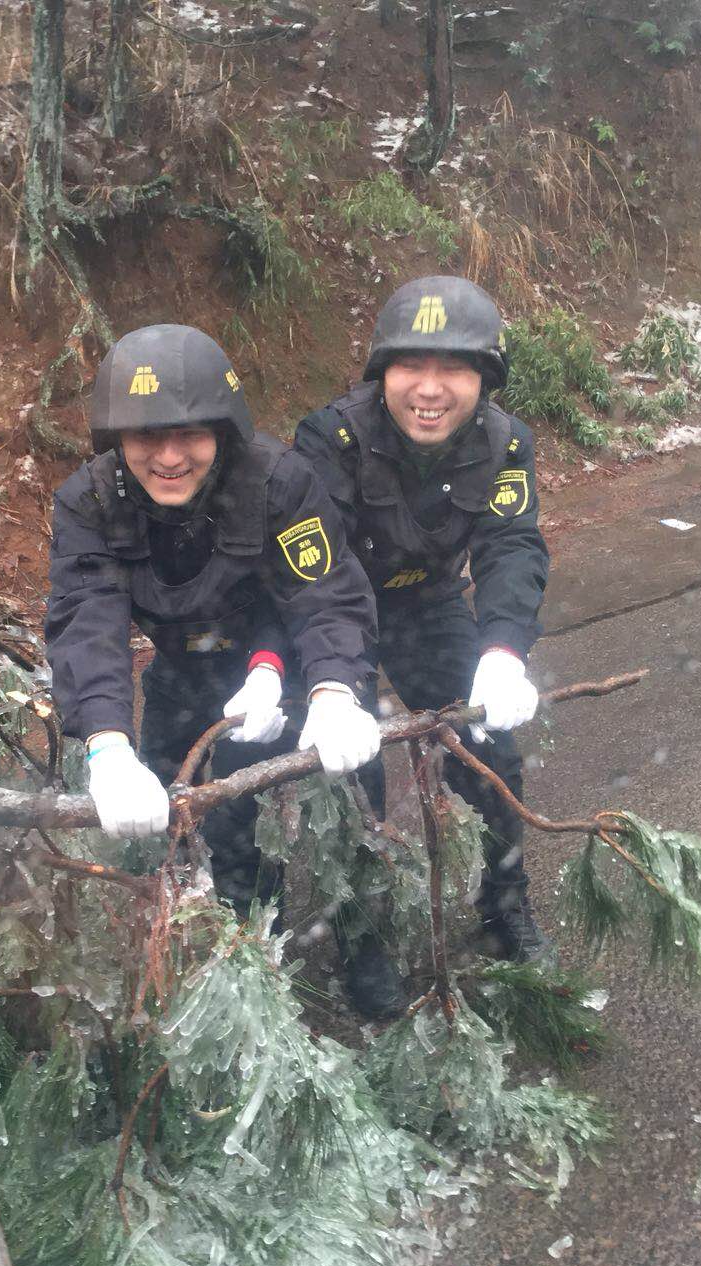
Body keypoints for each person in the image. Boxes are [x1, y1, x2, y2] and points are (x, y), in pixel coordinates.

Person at [46, 322, 381, 917]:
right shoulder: (90, 502)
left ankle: (363, 933)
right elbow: (87, 620)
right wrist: (106, 745)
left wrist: (334, 690)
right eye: (147, 436)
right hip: (180, 669)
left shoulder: (278, 480)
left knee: (352, 785)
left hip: (286, 661)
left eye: (191, 434)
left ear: (221, 433)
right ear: (116, 436)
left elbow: (323, 594)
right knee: (182, 813)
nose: (170, 457)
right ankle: (235, 933)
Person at [294, 276, 554, 1017]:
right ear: (383, 373)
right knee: (352, 772)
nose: (431, 389)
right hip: (337, 610)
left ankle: (504, 903)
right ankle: (361, 933)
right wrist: (336, 687)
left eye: (456, 368)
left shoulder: (505, 442)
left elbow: (512, 546)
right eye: (412, 366)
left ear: (485, 379)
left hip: (430, 602)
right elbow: (317, 575)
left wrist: (503, 649)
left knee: (491, 750)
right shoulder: (331, 439)